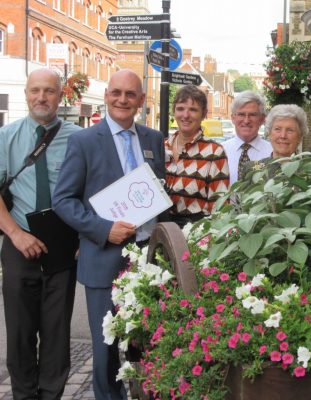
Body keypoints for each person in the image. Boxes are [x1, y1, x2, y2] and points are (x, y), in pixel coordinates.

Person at [52, 69, 165, 400]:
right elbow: (63, 200)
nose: (122, 100)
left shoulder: (153, 139)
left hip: (147, 258)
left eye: (130, 94)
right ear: (106, 95)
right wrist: (103, 229)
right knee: (106, 347)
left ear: (142, 100)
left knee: (148, 339)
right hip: (103, 258)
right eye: (116, 92)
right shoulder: (84, 141)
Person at [0, 68, 80, 399]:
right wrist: (16, 234)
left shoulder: (80, 139)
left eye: (49, 91)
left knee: (57, 334)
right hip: (19, 246)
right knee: (19, 334)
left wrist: (83, 236)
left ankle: (51, 395)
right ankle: (23, 395)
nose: (41, 97)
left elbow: (92, 191)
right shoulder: (7, 136)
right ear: (26, 94)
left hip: (63, 249)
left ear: (61, 96)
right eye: (35, 90)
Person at [165, 85, 229, 227]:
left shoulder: (214, 152)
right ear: (173, 111)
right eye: (180, 108)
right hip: (158, 234)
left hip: (193, 235)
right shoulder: (161, 146)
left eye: (193, 110)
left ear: (204, 114)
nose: (185, 115)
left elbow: (220, 206)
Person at [222, 90, 272, 185]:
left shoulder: (272, 153)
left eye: (252, 115)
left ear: (262, 119)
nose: (246, 120)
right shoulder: (220, 151)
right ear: (233, 118)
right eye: (241, 114)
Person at [243, 104, 308, 177]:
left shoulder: (310, 172)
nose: (283, 136)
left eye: (290, 130)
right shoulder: (251, 170)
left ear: (300, 136)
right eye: (277, 129)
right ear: (269, 133)